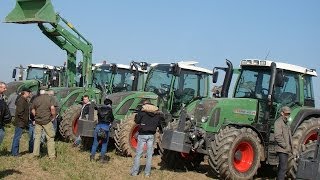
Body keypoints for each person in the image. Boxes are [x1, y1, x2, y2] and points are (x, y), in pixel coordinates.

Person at [131, 100, 163, 177]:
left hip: (142, 135)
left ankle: (135, 172)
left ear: (144, 105)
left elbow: (137, 121)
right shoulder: (156, 113)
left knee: (138, 154)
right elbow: (160, 123)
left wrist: (137, 115)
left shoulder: (142, 112)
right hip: (151, 135)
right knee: (149, 155)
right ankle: (147, 173)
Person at [31, 89, 56, 159]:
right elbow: (52, 109)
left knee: (37, 138)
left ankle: (35, 155)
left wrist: (36, 116)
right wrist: (53, 117)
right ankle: (51, 156)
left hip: (38, 121)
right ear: (45, 92)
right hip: (47, 121)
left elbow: (32, 109)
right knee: (50, 137)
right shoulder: (49, 98)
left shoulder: (36, 99)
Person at [90, 98, 114, 163]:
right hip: (105, 127)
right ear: (109, 104)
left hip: (98, 127)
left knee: (95, 143)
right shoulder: (110, 110)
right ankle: (102, 159)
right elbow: (112, 119)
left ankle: (92, 158)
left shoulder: (100, 109)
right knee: (104, 144)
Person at [11, 87, 31, 156]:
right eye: (28, 92)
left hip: (21, 122)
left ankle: (14, 151)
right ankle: (14, 153)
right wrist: (25, 121)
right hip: (20, 122)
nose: (29, 94)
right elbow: (20, 113)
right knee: (17, 137)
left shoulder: (23, 100)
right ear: (25, 93)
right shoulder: (21, 100)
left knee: (17, 137)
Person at [274, 106, 293, 180]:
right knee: (283, 168)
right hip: (282, 149)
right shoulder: (278, 122)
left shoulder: (287, 123)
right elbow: (277, 136)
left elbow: (289, 137)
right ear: (282, 113)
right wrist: (285, 146)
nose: (288, 115)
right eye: (286, 114)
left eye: (289, 114)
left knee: (282, 168)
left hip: (286, 149)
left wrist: (291, 149)